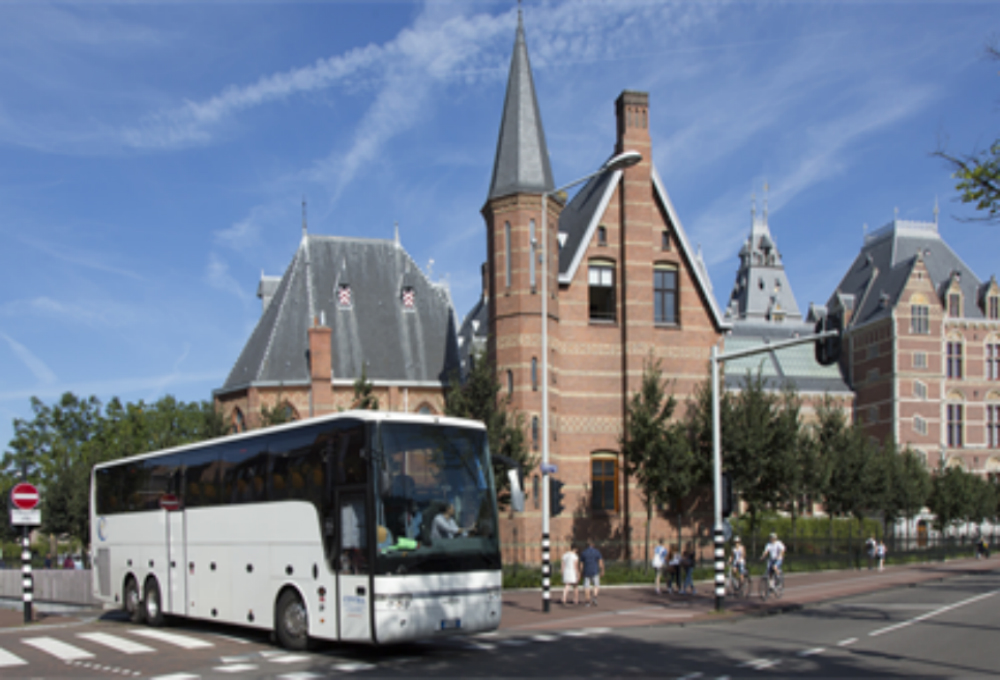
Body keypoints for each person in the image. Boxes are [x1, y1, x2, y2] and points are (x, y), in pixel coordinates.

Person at [579, 540, 604, 607]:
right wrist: (602, 570)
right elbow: (600, 562)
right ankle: (595, 597)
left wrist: (581, 572)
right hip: (595, 571)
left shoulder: (583, 553)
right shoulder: (597, 552)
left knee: (586, 586)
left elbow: (581, 564)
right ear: (593, 544)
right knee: (596, 585)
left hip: (586, 571)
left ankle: (587, 601)